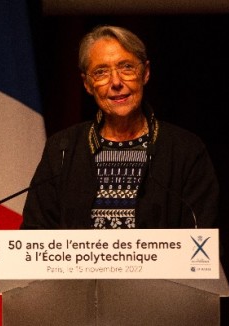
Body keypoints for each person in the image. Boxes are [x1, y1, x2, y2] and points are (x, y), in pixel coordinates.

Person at [21, 25, 219, 230]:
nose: (116, 82)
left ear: (145, 73)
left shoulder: (185, 150)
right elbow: (35, 234)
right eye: (101, 72)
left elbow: (203, 241)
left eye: (126, 67)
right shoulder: (62, 149)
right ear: (87, 84)